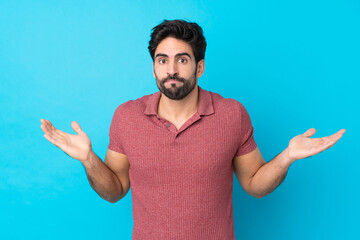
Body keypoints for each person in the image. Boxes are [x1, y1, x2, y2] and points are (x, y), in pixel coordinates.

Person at [40, 19, 345, 239]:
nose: (171, 69)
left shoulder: (232, 114)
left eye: (182, 60)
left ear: (199, 67)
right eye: (163, 60)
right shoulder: (126, 116)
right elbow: (115, 191)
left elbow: (254, 184)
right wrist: (88, 159)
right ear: (154, 67)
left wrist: (287, 156)